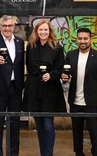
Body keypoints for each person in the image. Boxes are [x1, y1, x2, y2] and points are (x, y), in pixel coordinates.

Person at [61, 28, 97, 156]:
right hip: (74, 101)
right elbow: (66, 76)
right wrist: (64, 78)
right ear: (77, 39)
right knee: (76, 131)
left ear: (90, 40)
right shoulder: (70, 55)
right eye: (80, 38)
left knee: (94, 131)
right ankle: (78, 153)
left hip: (92, 101)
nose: (82, 41)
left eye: (85, 38)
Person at [23, 18, 66, 156]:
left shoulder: (57, 47)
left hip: (50, 90)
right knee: (39, 125)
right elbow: (29, 68)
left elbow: (60, 69)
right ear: (36, 31)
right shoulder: (30, 47)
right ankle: (43, 153)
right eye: (40, 30)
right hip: (34, 89)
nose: (43, 32)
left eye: (45, 30)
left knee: (48, 125)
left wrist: (51, 75)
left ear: (50, 31)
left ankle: (49, 154)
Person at [0, 15, 25, 156]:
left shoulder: (20, 42)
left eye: (10, 25)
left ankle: (13, 153)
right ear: (0, 27)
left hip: (15, 88)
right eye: (5, 26)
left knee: (15, 123)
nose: (7, 28)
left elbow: (20, 65)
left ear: (14, 26)